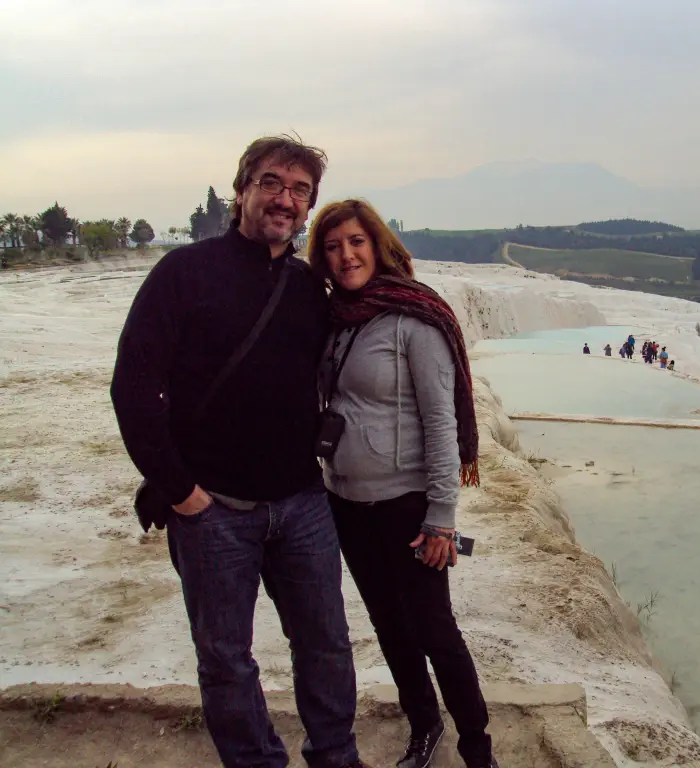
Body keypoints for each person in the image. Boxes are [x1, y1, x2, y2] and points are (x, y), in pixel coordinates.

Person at [110, 137, 367, 768]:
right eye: (272, 183)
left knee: (327, 645)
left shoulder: (308, 287)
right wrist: (180, 492)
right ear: (242, 190)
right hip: (212, 509)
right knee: (226, 659)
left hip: (302, 503)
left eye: (301, 190)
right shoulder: (183, 273)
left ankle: (336, 757)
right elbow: (134, 386)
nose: (285, 199)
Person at [308, 199, 499, 768]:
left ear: (378, 245)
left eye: (356, 242)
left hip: (408, 506)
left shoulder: (413, 320)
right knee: (389, 625)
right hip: (346, 502)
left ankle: (478, 749)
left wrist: (441, 518)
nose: (346, 255)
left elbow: (441, 423)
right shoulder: (337, 319)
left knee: (434, 629)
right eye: (333, 246)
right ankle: (424, 726)